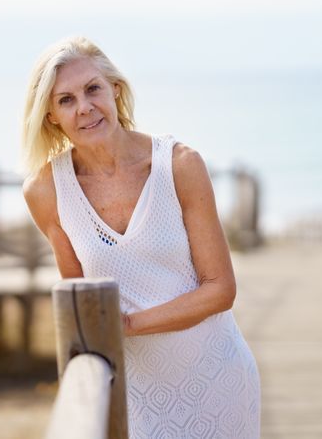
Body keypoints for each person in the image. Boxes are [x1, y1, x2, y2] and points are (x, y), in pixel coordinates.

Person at [21, 36, 260, 438]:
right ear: (50, 116)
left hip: (219, 381)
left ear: (114, 89)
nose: (85, 108)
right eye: (66, 100)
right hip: (134, 395)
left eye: (93, 89)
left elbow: (220, 289)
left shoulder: (180, 165)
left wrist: (127, 324)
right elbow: (81, 300)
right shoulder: (46, 192)